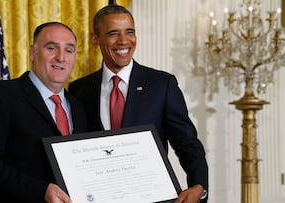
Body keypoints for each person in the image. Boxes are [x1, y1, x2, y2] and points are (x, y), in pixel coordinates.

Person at [68, 5, 208, 203]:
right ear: (95, 39)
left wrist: (198, 186)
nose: (124, 41)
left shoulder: (162, 84)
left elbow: (187, 143)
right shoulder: (79, 90)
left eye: (130, 32)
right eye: (113, 33)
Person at [0, 22, 86, 203]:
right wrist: (40, 190)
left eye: (69, 50)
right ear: (32, 53)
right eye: (51, 48)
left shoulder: (77, 106)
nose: (61, 57)